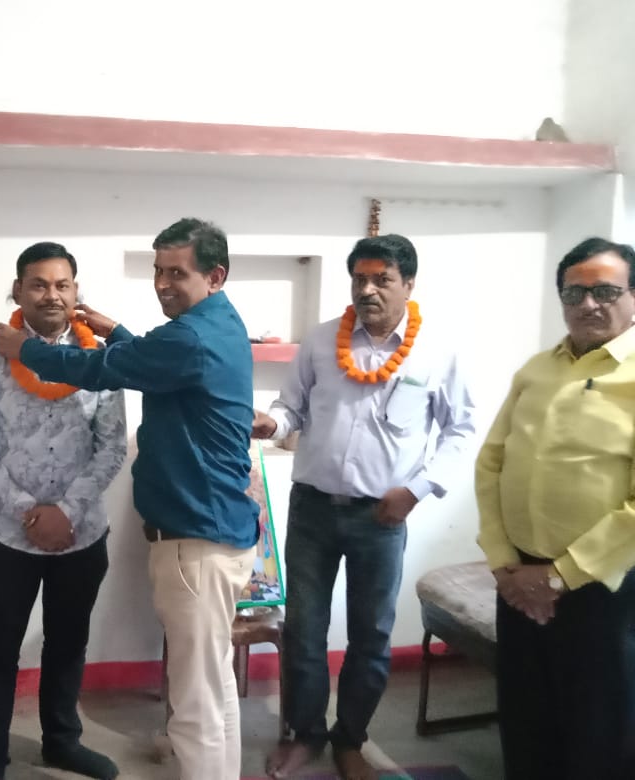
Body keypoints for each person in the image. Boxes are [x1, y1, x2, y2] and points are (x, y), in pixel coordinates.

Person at [0, 218, 259, 780]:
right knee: (212, 686)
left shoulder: (189, 337)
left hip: (195, 540)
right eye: (158, 270)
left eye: (177, 273)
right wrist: (117, 331)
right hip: (212, 535)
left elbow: (102, 370)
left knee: (194, 704)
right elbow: (150, 360)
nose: (162, 283)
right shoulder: (216, 323)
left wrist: (27, 350)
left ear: (215, 275)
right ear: (19, 290)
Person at [253, 234, 476, 780]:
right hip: (312, 509)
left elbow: (460, 430)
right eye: (360, 279)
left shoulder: (436, 351)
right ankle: (307, 734)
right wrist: (272, 423)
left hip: (382, 516)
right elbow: (291, 407)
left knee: (371, 635)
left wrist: (417, 490)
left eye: (382, 279)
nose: (368, 290)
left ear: (409, 284)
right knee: (304, 630)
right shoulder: (321, 340)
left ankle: (350, 739)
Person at [0, 242, 127, 780]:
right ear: (17, 291)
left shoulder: (100, 357)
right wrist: (30, 511)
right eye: (39, 284)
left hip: (81, 532)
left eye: (62, 285)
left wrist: (67, 511)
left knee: (68, 644)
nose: (52, 295)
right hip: (7, 535)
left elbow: (112, 446)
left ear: (76, 292)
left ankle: (61, 742)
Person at [475, 237, 635, 779]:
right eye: (574, 292)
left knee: (598, 733)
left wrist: (561, 576)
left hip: (604, 589)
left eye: (605, 291)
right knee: (526, 720)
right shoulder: (536, 371)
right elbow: (490, 464)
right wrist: (504, 564)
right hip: (519, 580)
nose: (588, 304)